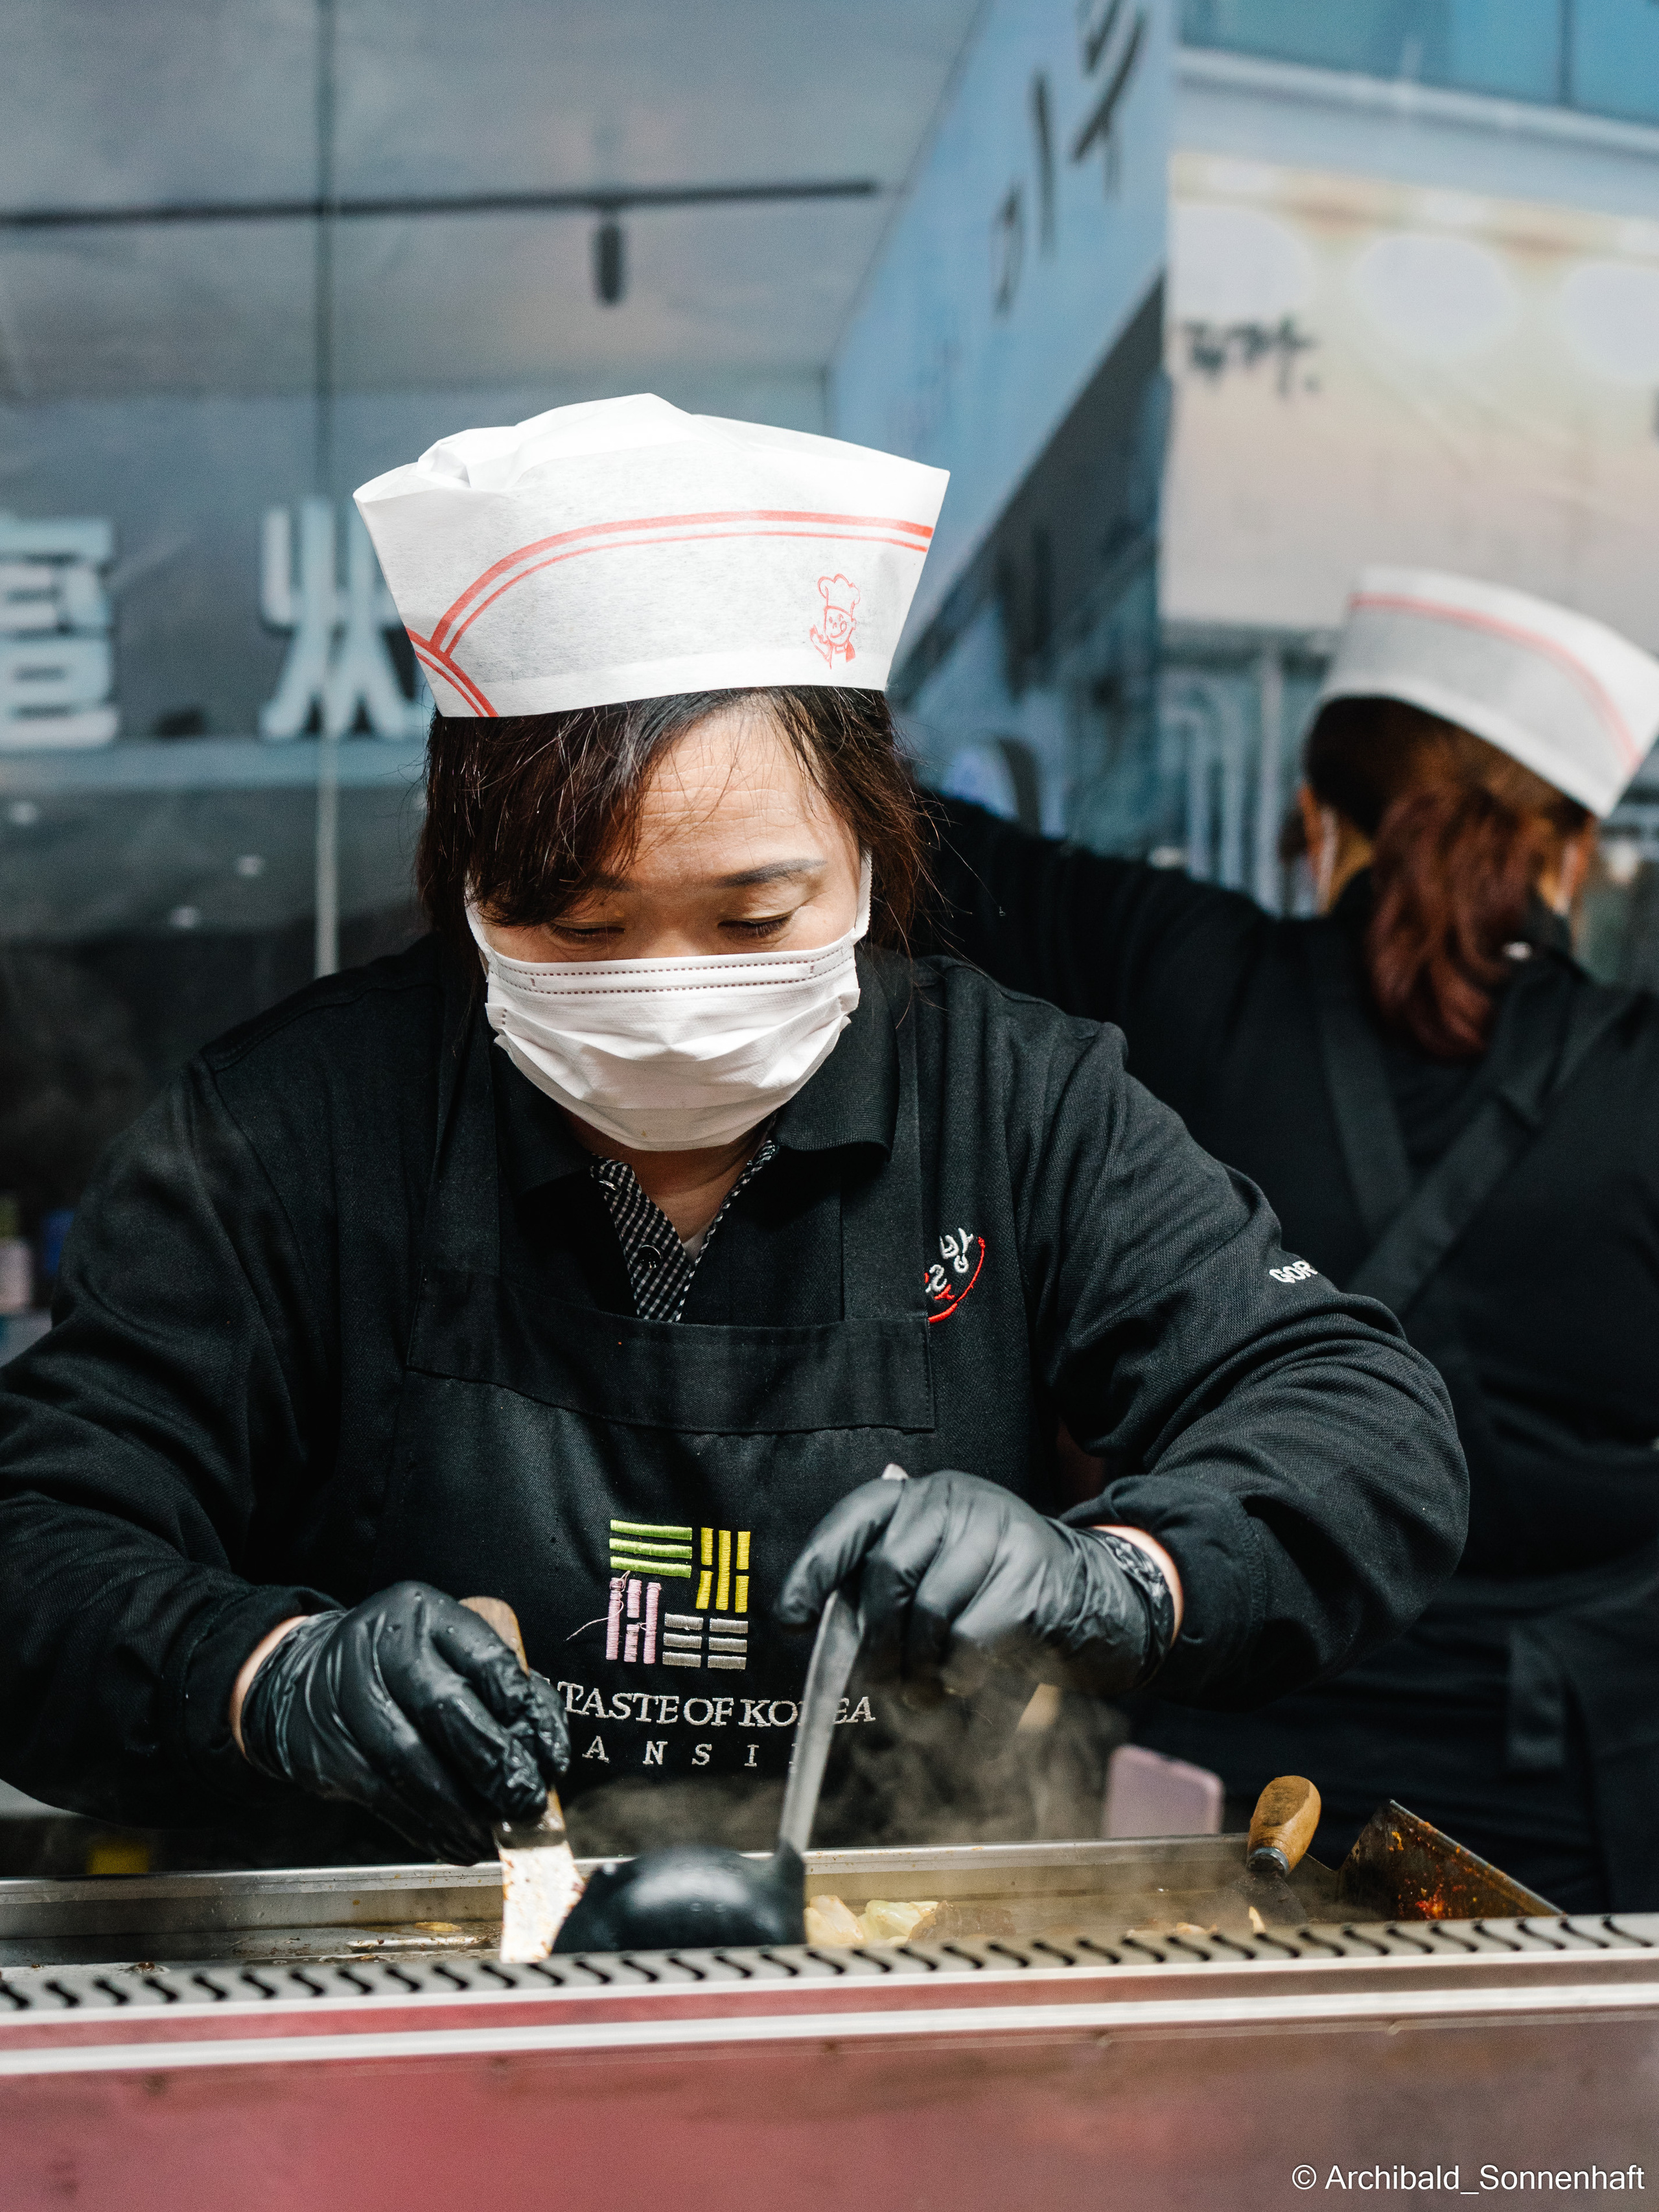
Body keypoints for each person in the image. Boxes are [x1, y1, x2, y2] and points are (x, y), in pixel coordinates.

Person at [0, 408, 1464, 1874]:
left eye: (752, 918)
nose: (669, 992)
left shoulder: (1012, 1102)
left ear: (875, 854)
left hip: (885, 1969)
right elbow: (39, 1542)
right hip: (391, 1983)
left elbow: (1357, 1425)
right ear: (461, 890)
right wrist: (267, 1677)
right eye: (582, 927)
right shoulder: (289, 1127)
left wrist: (1115, 1579)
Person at [931, 566, 1659, 1911]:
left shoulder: (1173, 966)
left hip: (1219, 1760)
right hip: (1565, 1796)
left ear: (1315, 820)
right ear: (1568, 853)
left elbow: (899, 838)